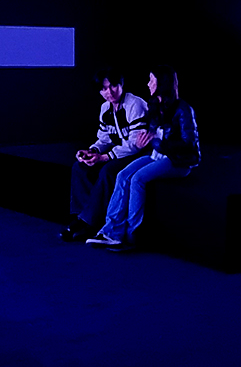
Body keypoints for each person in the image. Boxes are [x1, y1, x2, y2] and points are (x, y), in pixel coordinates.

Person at [90, 65, 200, 252]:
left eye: (151, 80)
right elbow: (153, 136)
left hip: (178, 161)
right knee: (123, 175)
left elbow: (189, 144)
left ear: (162, 83)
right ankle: (111, 232)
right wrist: (146, 141)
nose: (148, 84)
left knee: (137, 179)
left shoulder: (183, 109)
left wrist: (157, 142)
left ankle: (133, 235)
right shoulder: (155, 106)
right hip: (158, 155)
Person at [64, 68, 151, 241]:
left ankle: (89, 223)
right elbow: (104, 138)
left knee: (108, 171)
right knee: (80, 167)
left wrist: (104, 157)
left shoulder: (135, 104)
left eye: (113, 86)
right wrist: (93, 151)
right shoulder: (105, 108)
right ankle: (83, 218)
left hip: (138, 154)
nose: (109, 92)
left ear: (122, 85)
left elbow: (135, 144)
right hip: (119, 152)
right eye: (104, 88)